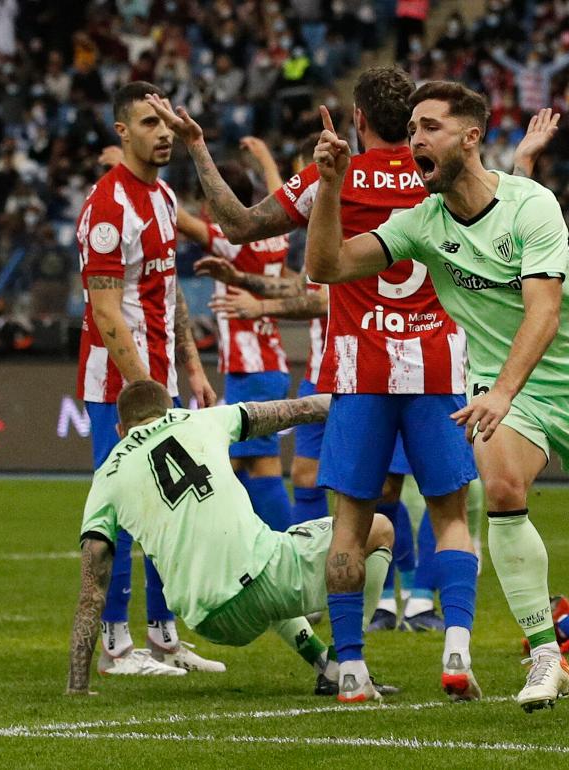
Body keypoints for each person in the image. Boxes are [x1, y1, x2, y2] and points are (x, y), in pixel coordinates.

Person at [303, 81, 569, 713]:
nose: (414, 141)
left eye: (429, 127)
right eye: (410, 130)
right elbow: (327, 267)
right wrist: (329, 185)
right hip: (501, 390)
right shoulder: (420, 222)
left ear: (469, 137)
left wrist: (505, 389)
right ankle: (546, 656)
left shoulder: (534, 205)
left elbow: (543, 313)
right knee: (505, 494)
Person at [150, 68, 482, 704]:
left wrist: (197, 145)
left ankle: (351, 669)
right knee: (450, 518)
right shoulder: (443, 175)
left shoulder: (340, 176)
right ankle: (457, 650)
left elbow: (241, 223)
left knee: (350, 526)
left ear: (357, 119)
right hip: (439, 366)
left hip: (358, 372)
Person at [67, 381, 394, 696]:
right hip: (262, 581)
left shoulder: (106, 476)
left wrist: (77, 682)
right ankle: (347, 662)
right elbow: (300, 408)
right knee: (377, 528)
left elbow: (91, 587)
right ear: (170, 411)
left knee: (265, 549)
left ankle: (324, 664)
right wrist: (361, 405)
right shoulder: (201, 419)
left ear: (120, 431)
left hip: (205, 618)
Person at [75, 81, 223, 677]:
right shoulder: (109, 210)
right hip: (119, 389)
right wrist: (147, 394)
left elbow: (168, 294)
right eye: (148, 122)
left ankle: (163, 634)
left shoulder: (161, 197)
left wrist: (190, 366)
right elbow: (107, 313)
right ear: (122, 132)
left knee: (173, 505)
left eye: (166, 121)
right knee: (124, 513)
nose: (163, 133)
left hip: (161, 379)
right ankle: (115, 645)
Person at [177, 155, 294, 532]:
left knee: (259, 464)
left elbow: (185, 224)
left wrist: (133, 175)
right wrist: (265, 159)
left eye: (207, 202)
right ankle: (248, 543)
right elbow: (284, 199)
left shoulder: (233, 241)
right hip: (264, 364)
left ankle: (288, 546)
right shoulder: (276, 233)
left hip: (253, 369)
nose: (204, 210)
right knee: (237, 464)